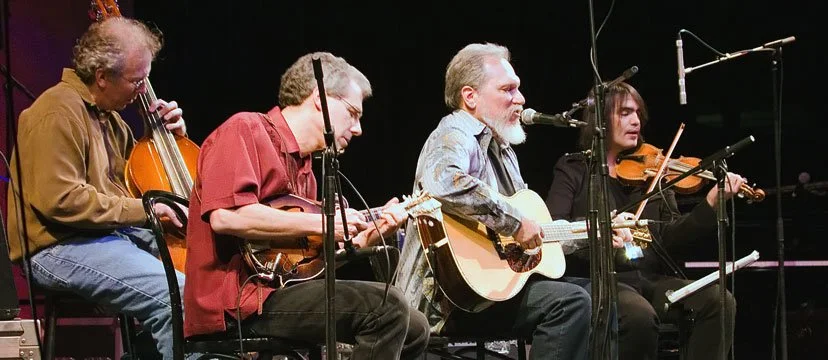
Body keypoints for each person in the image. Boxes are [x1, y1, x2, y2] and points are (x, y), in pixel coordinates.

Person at [183, 52, 429, 359]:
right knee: (386, 307)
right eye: (352, 113)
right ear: (320, 99)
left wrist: (365, 235)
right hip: (240, 302)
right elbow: (227, 216)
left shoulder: (306, 171)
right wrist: (325, 223)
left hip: (282, 292)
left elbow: (307, 263)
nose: (358, 129)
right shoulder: (246, 129)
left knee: (416, 325)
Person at [396, 43, 609, 360]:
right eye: (508, 89)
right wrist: (516, 222)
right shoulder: (455, 131)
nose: (520, 99)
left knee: (605, 296)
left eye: (519, 89)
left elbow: (532, 236)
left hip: (492, 293)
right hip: (448, 300)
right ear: (470, 97)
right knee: (570, 303)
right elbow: (443, 181)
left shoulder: (504, 150)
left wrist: (586, 233)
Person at [6, 17, 188, 359]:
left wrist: (168, 138)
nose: (142, 91)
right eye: (137, 81)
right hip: (57, 246)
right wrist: (147, 212)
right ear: (102, 77)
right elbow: (61, 201)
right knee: (172, 295)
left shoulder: (111, 120)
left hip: (102, 236)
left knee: (203, 275)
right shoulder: (56, 112)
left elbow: (136, 184)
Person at [544, 81, 742, 359]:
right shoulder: (575, 168)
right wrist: (600, 231)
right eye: (624, 113)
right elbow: (555, 227)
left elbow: (670, 236)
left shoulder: (652, 172)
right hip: (599, 282)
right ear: (600, 118)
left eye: (637, 113)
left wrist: (709, 206)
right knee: (638, 315)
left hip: (647, 279)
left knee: (719, 301)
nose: (636, 120)